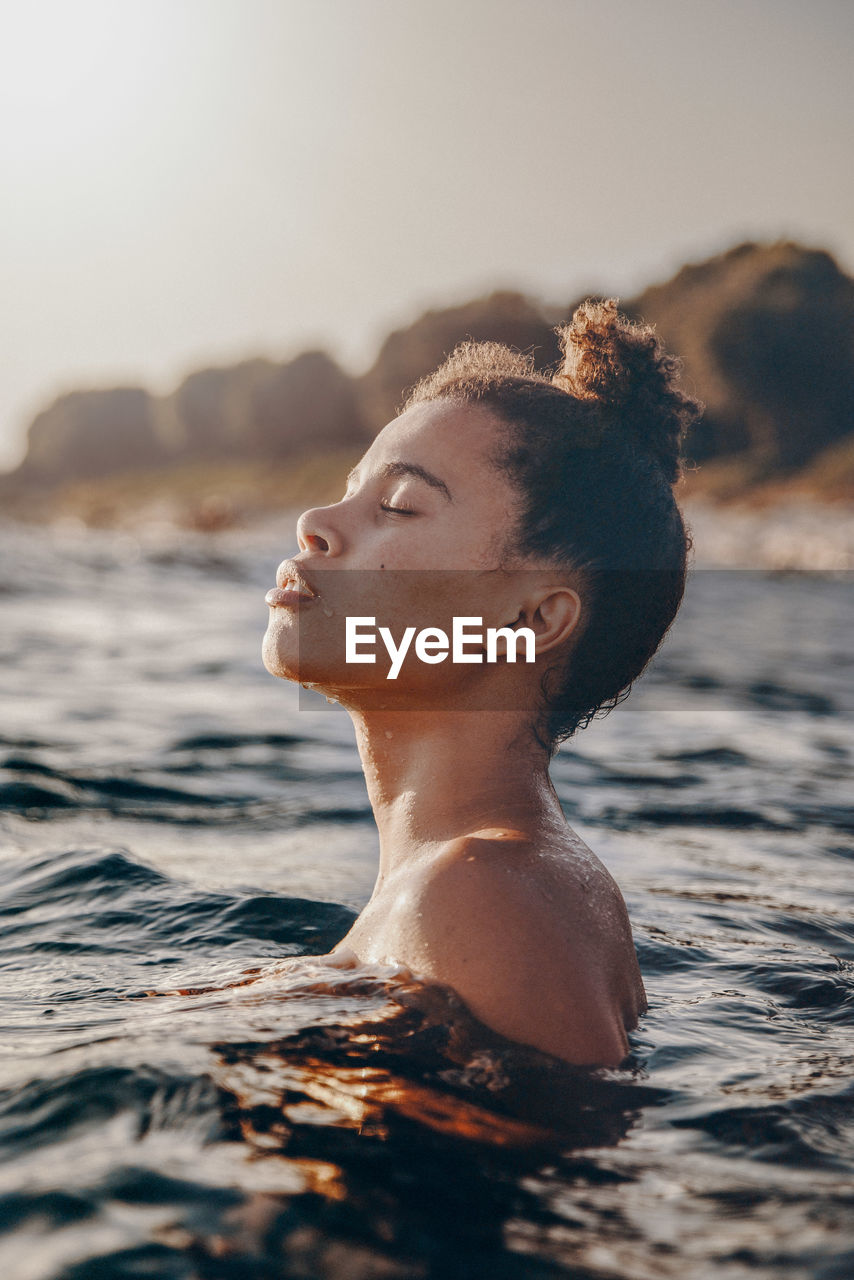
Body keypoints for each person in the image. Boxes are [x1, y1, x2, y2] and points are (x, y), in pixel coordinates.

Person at [263, 300, 701, 1068]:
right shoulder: (497, 887)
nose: (315, 521)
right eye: (349, 487)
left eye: (398, 505)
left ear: (531, 619)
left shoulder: (480, 897)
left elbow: (550, 1174)